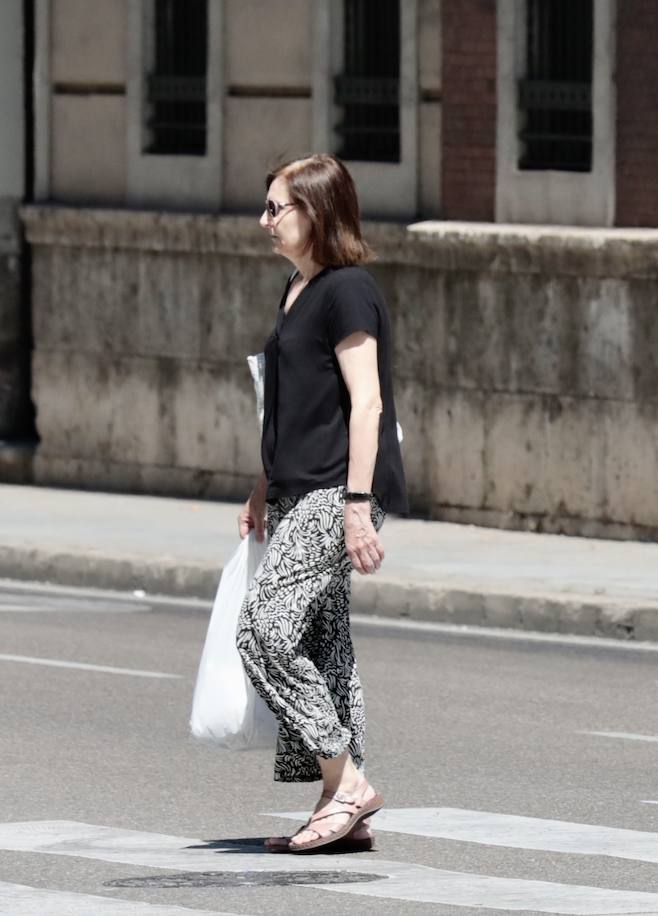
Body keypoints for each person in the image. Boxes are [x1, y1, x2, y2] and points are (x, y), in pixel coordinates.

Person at [235, 153, 408, 854]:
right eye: (268, 205)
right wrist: (262, 484)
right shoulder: (296, 290)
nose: (266, 220)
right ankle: (343, 808)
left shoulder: (348, 291)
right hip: (299, 488)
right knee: (320, 643)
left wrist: (358, 505)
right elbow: (290, 405)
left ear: (319, 212)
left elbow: (366, 403)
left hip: (340, 489)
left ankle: (347, 780)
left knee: (262, 630)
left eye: (279, 207)